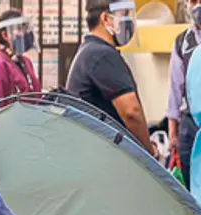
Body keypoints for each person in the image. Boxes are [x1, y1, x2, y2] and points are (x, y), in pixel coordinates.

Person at [66, 0, 159, 159]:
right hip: (104, 156)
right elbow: (131, 112)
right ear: (105, 18)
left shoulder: (89, 51)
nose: (129, 21)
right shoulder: (102, 55)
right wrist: (149, 152)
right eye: (123, 15)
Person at [167, 0, 201, 186]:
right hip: (190, 127)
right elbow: (175, 89)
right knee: (190, 187)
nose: (198, 6)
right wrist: (173, 134)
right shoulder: (183, 42)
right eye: (193, 1)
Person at [0, 9, 42, 98]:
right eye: (19, 29)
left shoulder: (25, 61)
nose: (24, 33)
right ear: (5, 35)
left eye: (25, 29)